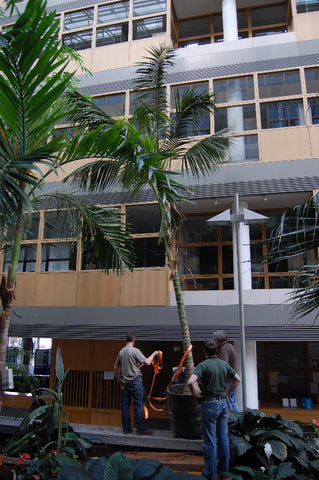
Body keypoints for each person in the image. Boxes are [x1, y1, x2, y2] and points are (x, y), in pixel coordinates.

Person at [188, 339, 241, 480]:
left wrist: (195, 395)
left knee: (210, 440)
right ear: (216, 351)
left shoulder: (203, 365)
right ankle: (223, 473)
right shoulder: (223, 364)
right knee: (223, 438)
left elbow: (190, 381)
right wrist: (227, 392)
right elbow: (237, 379)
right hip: (222, 403)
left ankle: (209, 474)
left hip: (209, 402)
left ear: (205, 351)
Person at [114, 333, 158, 435]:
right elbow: (147, 362)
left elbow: (115, 367)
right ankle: (140, 429)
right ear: (134, 340)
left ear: (126, 340)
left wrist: (119, 380)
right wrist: (155, 353)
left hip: (126, 382)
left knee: (125, 405)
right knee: (138, 405)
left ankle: (126, 428)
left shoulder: (121, 352)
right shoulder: (135, 351)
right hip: (136, 380)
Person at [213, 330, 240, 413]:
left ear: (218, 340)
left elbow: (223, 365)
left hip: (227, 380)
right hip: (231, 379)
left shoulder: (224, 349)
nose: (214, 341)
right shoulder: (230, 346)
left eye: (215, 339)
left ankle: (233, 420)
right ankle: (237, 419)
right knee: (232, 400)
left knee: (229, 402)